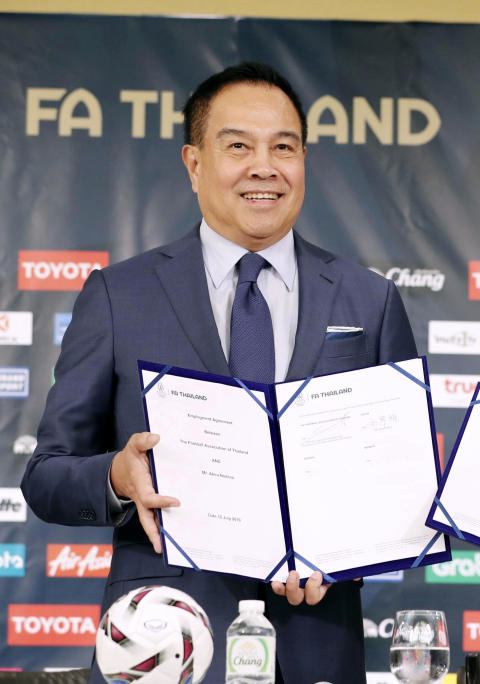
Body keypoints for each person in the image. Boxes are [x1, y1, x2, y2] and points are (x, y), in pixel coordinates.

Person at [21, 62, 417, 684]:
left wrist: (342, 557)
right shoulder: (119, 295)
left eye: (283, 147)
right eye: (238, 146)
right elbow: (46, 477)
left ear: (304, 161)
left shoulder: (370, 301)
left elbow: (401, 483)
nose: (265, 167)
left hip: (315, 643)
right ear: (194, 163)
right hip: (162, 642)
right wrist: (118, 478)